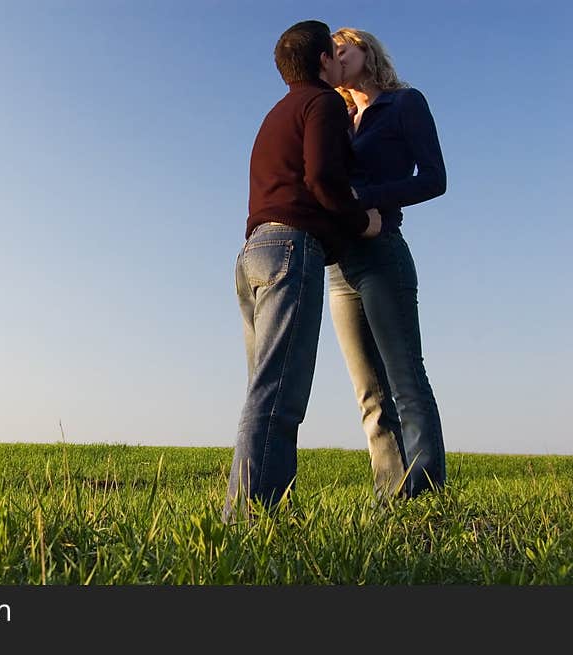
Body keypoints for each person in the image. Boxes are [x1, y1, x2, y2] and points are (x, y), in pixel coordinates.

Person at [223, 20, 381, 523]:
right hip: (291, 249)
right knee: (280, 396)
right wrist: (363, 221)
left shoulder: (276, 112)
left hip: (252, 254)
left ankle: (242, 516)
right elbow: (322, 177)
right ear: (321, 63)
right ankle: (253, 523)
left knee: (263, 390)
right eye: (332, 54)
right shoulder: (324, 103)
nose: (339, 61)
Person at [328, 27, 447, 499]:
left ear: (366, 51)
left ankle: (426, 497)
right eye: (330, 54)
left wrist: (369, 197)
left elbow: (435, 178)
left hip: (383, 253)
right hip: (340, 263)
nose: (336, 57)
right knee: (368, 393)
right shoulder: (336, 119)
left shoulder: (405, 103)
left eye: (344, 48)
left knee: (406, 379)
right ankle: (391, 497)